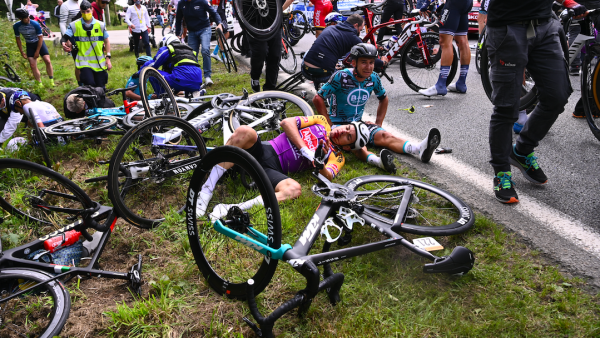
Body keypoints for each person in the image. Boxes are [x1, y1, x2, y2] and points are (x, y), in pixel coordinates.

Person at [485, 0, 586, 204]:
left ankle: (522, 150)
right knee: (507, 107)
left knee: (557, 96)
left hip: (545, 24)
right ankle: (502, 173)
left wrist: (568, 2)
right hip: (508, 26)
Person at [314, 43, 441, 172]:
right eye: (364, 62)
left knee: (385, 135)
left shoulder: (374, 78)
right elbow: (318, 98)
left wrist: (378, 123)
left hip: (358, 124)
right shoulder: (341, 76)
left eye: (371, 62)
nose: (368, 67)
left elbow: (384, 98)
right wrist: (328, 124)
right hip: (339, 125)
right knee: (358, 145)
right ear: (353, 63)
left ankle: (419, 149)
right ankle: (378, 162)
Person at [195, 114, 349, 217]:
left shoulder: (338, 156)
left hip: (274, 170)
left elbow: (327, 177)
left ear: (348, 147)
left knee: (294, 189)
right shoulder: (321, 121)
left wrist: (319, 161)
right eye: (347, 128)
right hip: (265, 149)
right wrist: (305, 149)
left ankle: (231, 208)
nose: (343, 132)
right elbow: (287, 123)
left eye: (348, 137)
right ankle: (206, 191)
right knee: (244, 131)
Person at [418, 0, 473, 96]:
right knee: (462, 41)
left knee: (444, 41)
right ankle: (461, 83)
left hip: (454, 4)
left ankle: (441, 85)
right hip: (466, 3)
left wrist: (427, 3)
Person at [302, 13, 364, 90]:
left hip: (305, 69)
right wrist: (382, 62)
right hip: (324, 75)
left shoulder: (330, 28)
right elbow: (369, 58)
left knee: (311, 52)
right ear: (356, 25)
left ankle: (319, 91)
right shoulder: (353, 38)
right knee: (347, 78)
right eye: (360, 30)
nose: (360, 32)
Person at [61, 0, 112, 88]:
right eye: (83, 12)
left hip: (99, 62)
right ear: (80, 11)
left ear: (92, 10)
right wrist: (63, 43)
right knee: (90, 85)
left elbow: (107, 41)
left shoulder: (100, 25)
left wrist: (108, 57)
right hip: (84, 62)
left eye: (88, 11)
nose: (86, 13)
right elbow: (65, 37)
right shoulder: (74, 25)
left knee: (100, 88)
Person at [249, 0, 295, 92]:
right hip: (256, 21)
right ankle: (255, 77)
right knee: (261, 51)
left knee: (275, 55)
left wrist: (280, 10)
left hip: (274, 22)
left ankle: (270, 89)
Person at [138, 34, 203, 96]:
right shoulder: (190, 51)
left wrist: (139, 72)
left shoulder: (168, 49)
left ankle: (163, 98)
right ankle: (193, 94)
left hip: (180, 80)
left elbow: (153, 64)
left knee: (152, 73)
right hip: (197, 82)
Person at [175, 0, 222, 87]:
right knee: (192, 55)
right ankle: (195, 78)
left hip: (205, 29)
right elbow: (178, 19)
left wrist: (219, 24)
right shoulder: (181, 3)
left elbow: (214, 13)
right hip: (192, 32)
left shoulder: (202, 1)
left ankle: (207, 76)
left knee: (205, 50)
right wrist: (178, 34)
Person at [13, 8, 55, 88]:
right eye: (26, 18)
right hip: (30, 44)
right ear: (20, 19)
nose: (28, 18)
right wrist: (21, 51)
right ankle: (39, 84)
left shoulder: (35, 24)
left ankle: (51, 80)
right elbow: (18, 39)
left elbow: (41, 38)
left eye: (28, 16)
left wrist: (37, 51)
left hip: (39, 43)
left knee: (47, 60)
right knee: (32, 65)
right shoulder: (16, 26)